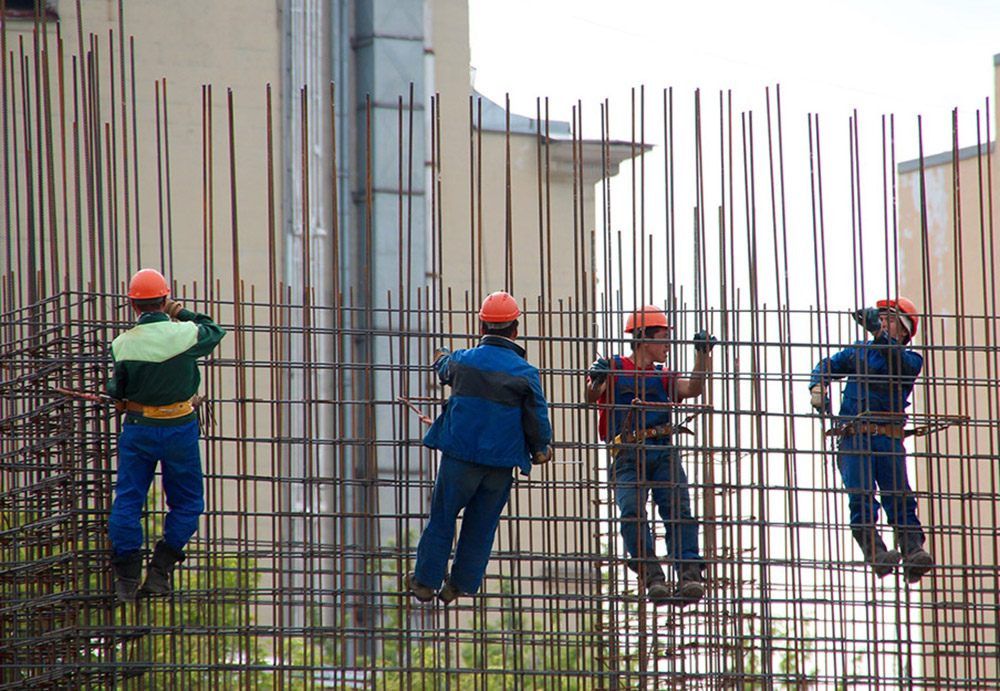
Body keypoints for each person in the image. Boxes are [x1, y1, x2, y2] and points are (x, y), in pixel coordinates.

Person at [408, 291, 552, 604]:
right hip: (500, 465)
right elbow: (537, 415)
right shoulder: (526, 373)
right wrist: (541, 448)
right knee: (482, 526)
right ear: (515, 330)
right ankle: (460, 585)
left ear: (481, 327)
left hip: (460, 459)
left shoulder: (462, 361)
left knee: (443, 518)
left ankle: (425, 581)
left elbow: (444, 368)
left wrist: (440, 355)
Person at [107, 268, 226, 603]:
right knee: (188, 503)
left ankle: (126, 579)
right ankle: (160, 570)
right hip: (179, 427)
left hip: (139, 428)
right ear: (165, 298)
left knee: (128, 500)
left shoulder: (122, 344)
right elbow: (215, 330)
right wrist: (179, 311)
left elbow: (118, 389)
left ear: (132, 304)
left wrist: (121, 398)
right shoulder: (185, 334)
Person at [587, 305, 716, 606]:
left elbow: (694, 388)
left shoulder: (665, 376)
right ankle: (652, 575)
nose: (667, 346)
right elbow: (592, 396)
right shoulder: (614, 367)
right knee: (631, 512)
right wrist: (597, 378)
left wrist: (703, 355)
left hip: (662, 452)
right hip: (627, 453)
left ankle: (688, 574)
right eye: (662, 339)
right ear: (643, 338)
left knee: (678, 510)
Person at [809, 297, 933, 583]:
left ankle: (913, 551)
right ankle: (876, 553)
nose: (882, 323)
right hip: (855, 438)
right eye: (881, 318)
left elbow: (896, 360)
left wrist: (878, 333)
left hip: (887, 439)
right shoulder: (858, 353)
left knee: (899, 495)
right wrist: (818, 384)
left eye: (889, 320)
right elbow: (828, 364)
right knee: (861, 497)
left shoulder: (910, 359)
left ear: (904, 331)